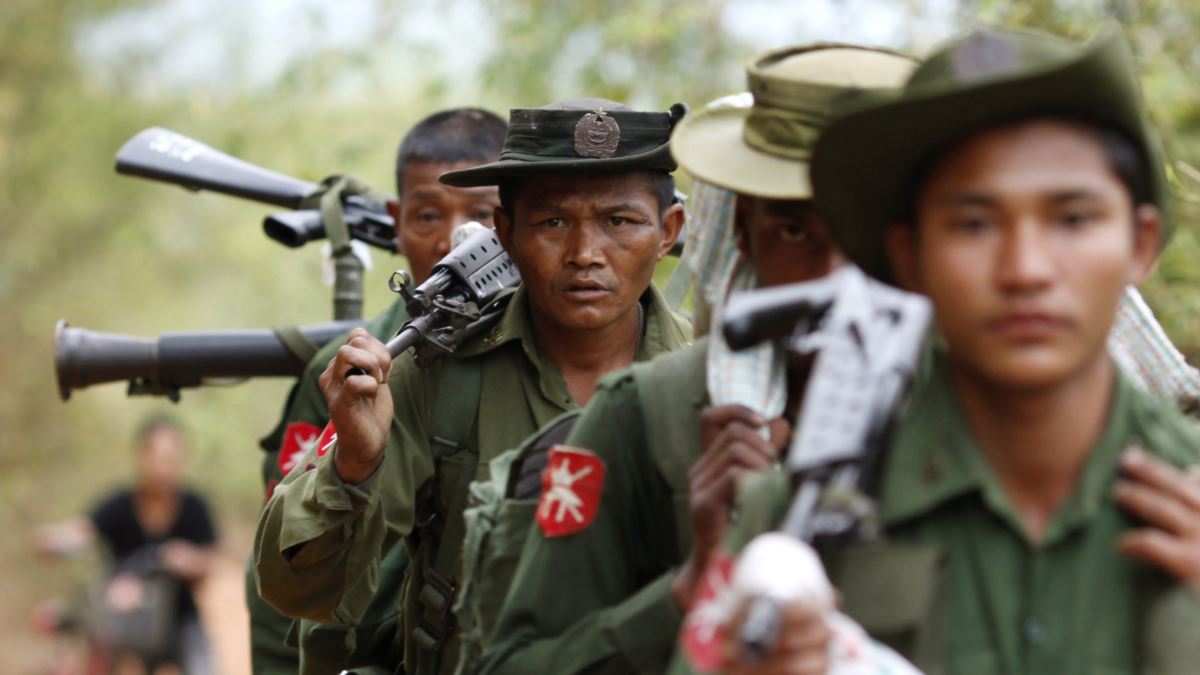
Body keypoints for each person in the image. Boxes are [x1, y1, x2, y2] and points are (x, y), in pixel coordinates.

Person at [683, 26, 1200, 675]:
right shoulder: (798, 520)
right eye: (973, 223)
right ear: (909, 257)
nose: (1026, 268)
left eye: (1072, 218)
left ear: (1140, 244)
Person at [471, 46, 918, 675]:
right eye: (795, 231)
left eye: (864, 230)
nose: (833, 277)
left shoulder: (1021, 421)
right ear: (744, 231)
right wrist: (690, 588)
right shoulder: (644, 418)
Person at [254, 98, 694, 675]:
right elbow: (297, 588)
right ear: (505, 233)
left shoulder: (710, 376)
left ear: (668, 231)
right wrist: (354, 467)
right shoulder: (437, 373)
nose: (585, 254)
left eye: (619, 221)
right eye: (553, 222)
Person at [247, 107, 508, 675]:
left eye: (482, 215)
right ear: (396, 220)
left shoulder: (546, 352)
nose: (451, 239)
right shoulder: (348, 375)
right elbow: (282, 571)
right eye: (427, 216)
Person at [35, 415, 217, 675]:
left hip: (180, 621)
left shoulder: (194, 507)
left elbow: (209, 561)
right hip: (123, 623)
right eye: (159, 457)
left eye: (172, 457)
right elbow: (83, 531)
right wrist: (54, 539)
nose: (165, 467)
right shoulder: (119, 504)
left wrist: (187, 560)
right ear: (142, 455)